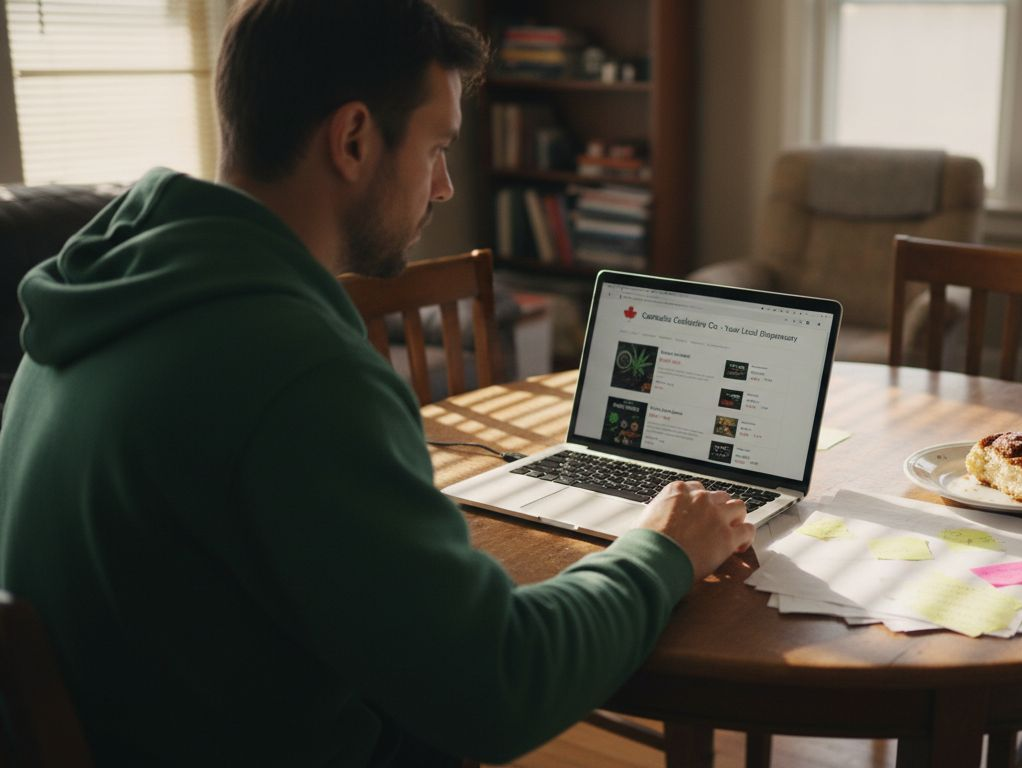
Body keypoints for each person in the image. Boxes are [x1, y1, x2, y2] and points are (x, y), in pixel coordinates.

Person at [0, 1, 753, 765]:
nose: (445, 187)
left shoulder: (92, 300)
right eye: (437, 148)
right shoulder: (296, 371)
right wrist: (662, 548)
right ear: (355, 139)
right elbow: (500, 688)